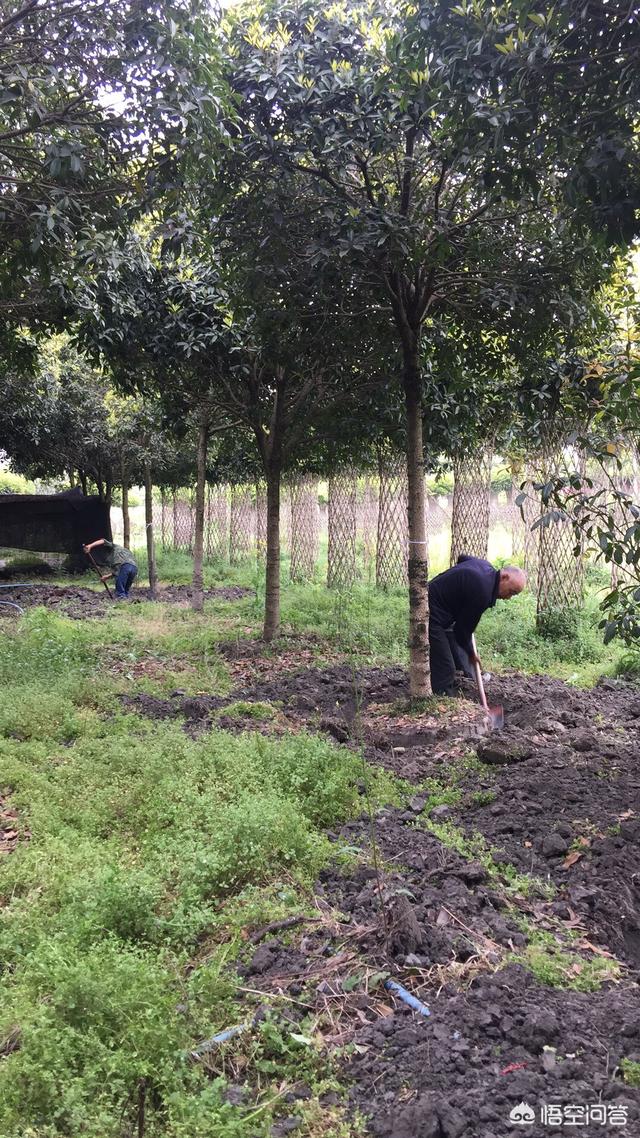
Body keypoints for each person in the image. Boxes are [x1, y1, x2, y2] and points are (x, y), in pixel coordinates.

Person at [428, 555, 526, 696]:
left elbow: (462, 558)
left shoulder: (485, 566)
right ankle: (442, 700)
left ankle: (464, 679)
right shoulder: (482, 592)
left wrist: (459, 585)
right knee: (446, 668)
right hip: (430, 612)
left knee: (458, 654)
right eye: (511, 592)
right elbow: (461, 632)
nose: (508, 597)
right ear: (504, 577)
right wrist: (472, 654)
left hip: (442, 605)